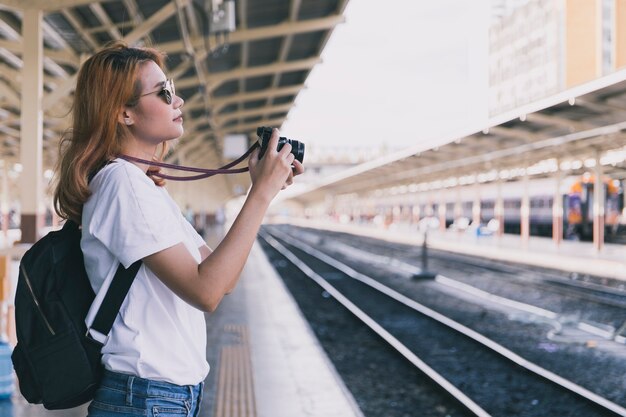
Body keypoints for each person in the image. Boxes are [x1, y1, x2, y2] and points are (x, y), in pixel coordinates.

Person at [53, 41, 304, 416]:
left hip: (161, 397)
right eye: (164, 92)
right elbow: (207, 292)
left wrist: (259, 188)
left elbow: (223, 277)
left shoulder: (142, 186)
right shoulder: (122, 184)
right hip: (144, 398)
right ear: (124, 113)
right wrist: (261, 195)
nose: (178, 101)